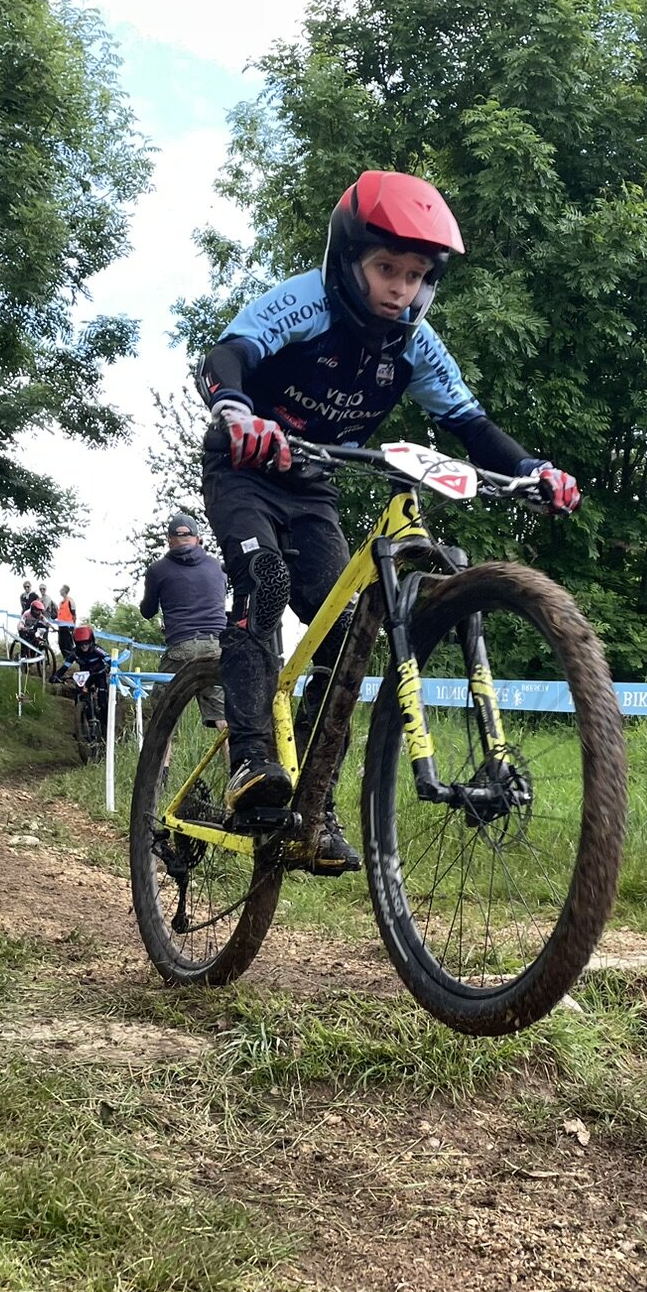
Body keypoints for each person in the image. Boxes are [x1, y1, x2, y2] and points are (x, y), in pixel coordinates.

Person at [196, 169, 580, 876]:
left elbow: (467, 421)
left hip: (309, 488)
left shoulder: (416, 344)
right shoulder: (305, 303)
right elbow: (228, 355)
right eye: (384, 269)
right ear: (349, 261)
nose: (399, 287)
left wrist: (533, 469)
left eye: (414, 274)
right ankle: (251, 762)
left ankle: (312, 802)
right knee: (264, 578)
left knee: (344, 636)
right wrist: (237, 410)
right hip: (244, 470)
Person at [139, 511, 228, 728]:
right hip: (216, 645)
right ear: (198, 539)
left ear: (169, 540)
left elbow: (147, 611)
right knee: (223, 716)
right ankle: (237, 762)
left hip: (181, 647)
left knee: (162, 718)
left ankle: (162, 763)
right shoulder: (217, 566)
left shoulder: (157, 570)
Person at [52, 586, 78, 681]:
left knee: (68, 645)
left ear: (64, 591)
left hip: (68, 626)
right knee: (61, 644)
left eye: (61, 589)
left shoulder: (70, 601)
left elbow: (74, 614)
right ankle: (66, 661)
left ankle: (71, 662)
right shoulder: (61, 602)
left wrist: (73, 626)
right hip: (61, 626)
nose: (60, 590)